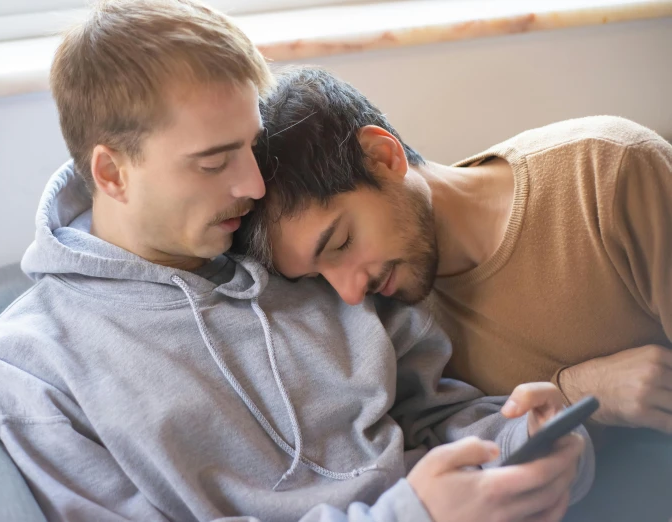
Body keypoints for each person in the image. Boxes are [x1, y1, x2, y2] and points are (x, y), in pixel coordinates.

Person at [0, 2, 592, 521]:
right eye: (214, 161)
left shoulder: (301, 261)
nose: (255, 185)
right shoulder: (30, 363)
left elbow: (441, 415)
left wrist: (528, 440)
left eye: (250, 145)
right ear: (111, 172)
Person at [232, 65, 672, 521]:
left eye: (341, 243)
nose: (349, 292)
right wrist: (583, 391)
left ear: (383, 157)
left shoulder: (606, 174)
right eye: (316, 277)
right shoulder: (393, 328)